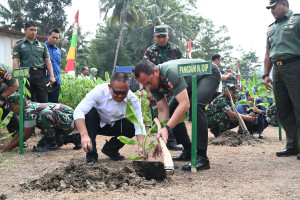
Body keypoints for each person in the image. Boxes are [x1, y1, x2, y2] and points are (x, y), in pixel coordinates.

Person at [135, 59, 220, 171]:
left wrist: (167, 128)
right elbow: (163, 110)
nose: (148, 86)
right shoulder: (152, 85)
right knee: (172, 110)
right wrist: (160, 138)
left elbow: (185, 104)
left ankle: (202, 157)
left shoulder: (170, 73)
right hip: (189, 83)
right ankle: (188, 150)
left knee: (196, 105)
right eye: (145, 84)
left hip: (208, 74)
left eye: (149, 82)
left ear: (156, 71)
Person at [74, 72, 146, 163]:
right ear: (109, 87)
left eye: (124, 93)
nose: (120, 96)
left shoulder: (133, 99)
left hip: (114, 124)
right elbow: (79, 111)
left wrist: (141, 146)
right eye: (116, 92)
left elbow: (139, 123)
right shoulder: (99, 91)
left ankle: (111, 149)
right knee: (90, 113)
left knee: (131, 126)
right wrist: (84, 135)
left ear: (129, 87)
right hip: (95, 124)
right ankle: (91, 154)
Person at [263, 0, 300, 159]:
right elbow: (268, 53)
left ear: (284, 4)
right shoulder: (271, 28)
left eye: (274, 7)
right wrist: (266, 74)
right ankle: (292, 145)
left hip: (295, 66)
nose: (271, 11)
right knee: (283, 109)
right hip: (277, 70)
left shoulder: (297, 20)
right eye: (269, 8)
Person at [143, 24, 183, 151]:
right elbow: (145, 72)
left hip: (173, 86)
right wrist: (148, 91)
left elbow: (181, 68)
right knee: (158, 112)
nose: (161, 39)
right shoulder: (149, 52)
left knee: (173, 110)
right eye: (158, 37)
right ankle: (161, 139)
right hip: (156, 87)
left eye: (164, 36)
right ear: (154, 37)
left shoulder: (175, 50)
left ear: (168, 36)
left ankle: (172, 140)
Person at [1, 93, 81, 152]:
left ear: (18, 104)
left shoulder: (29, 110)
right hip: (63, 122)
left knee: (46, 114)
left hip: (69, 120)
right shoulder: (26, 110)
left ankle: (52, 144)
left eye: (11, 107)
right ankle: (74, 138)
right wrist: (8, 147)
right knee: (41, 144)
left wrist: (9, 148)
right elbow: (20, 131)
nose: (11, 110)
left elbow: (26, 135)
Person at [12, 21, 55, 103]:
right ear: (25, 30)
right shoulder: (19, 45)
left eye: (35, 30)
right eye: (31, 30)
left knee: (43, 100)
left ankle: (42, 116)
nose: (33, 32)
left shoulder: (42, 45)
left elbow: (47, 61)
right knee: (27, 101)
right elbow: (16, 61)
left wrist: (52, 76)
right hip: (26, 74)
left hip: (40, 75)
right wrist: (16, 78)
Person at [0, 63, 19, 140]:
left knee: (8, 112)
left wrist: (2, 98)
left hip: (3, 90)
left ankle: (18, 138)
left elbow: (14, 85)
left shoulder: (3, 70)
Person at [46, 29, 61, 103]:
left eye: (57, 38)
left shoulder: (58, 50)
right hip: (45, 81)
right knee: (44, 104)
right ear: (48, 36)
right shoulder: (42, 48)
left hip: (56, 82)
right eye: (53, 37)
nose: (55, 39)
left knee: (54, 104)